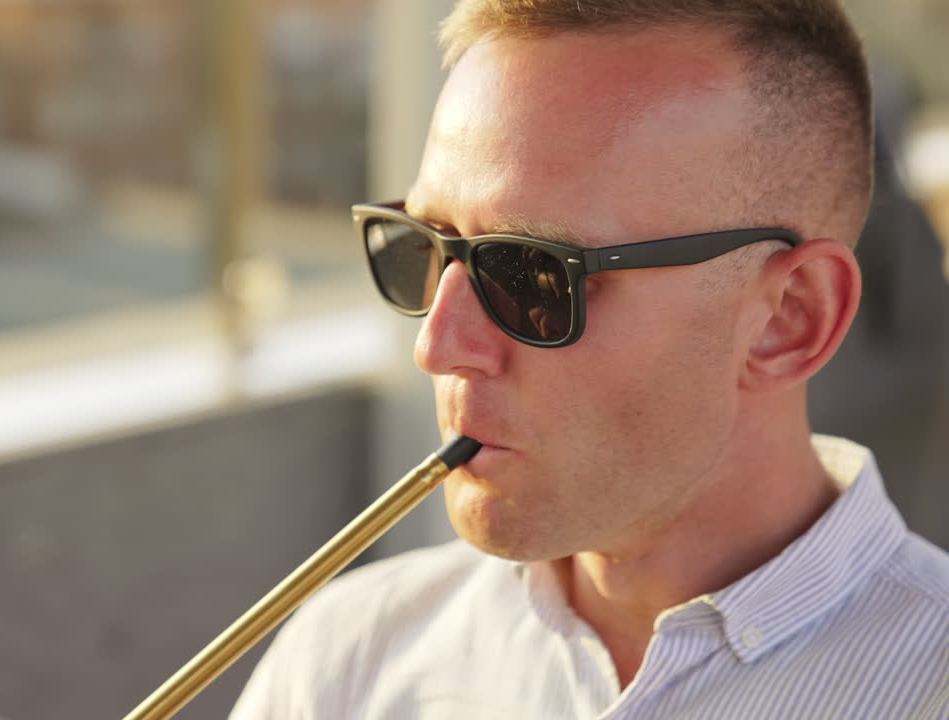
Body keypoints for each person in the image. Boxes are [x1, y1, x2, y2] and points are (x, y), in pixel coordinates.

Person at [230, 0, 949, 717]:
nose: (437, 346)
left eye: (532, 275)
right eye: (424, 245)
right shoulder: (351, 660)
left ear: (790, 320)